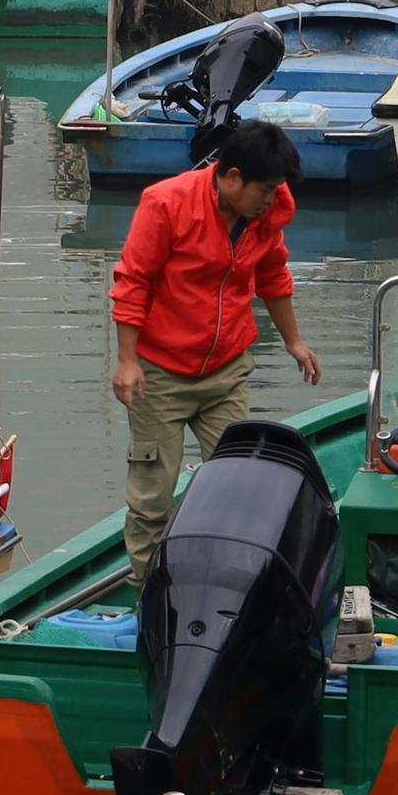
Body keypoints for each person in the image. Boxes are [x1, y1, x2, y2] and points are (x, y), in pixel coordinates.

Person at [110, 121, 322, 567]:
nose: (271, 199)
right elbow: (133, 281)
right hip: (160, 375)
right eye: (263, 188)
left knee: (239, 487)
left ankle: (228, 582)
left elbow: (273, 275)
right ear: (231, 178)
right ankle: (147, 593)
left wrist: (294, 342)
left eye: (276, 188)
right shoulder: (167, 204)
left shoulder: (268, 214)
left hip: (225, 371)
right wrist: (127, 361)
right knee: (152, 499)